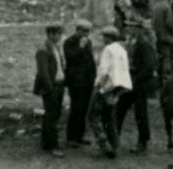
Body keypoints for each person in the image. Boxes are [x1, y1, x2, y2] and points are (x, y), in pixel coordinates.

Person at [93, 26, 132, 158]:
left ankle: (105, 145)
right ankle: (114, 144)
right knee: (109, 117)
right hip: (118, 87)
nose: (103, 39)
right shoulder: (121, 50)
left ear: (109, 38)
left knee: (93, 117)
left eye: (105, 37)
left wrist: (98, 85)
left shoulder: (108, 49)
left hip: (105, 87)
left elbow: (104, 70)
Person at [126, 22, 161, 153]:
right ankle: (112, 139)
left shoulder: (143, 43)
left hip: (139, 82)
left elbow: (149, 67)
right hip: (131, 79)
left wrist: (136, 80)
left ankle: (142, 141)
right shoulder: (132, 40)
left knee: (140, 112)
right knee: (120, 109)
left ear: (137, 28)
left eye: (130, 26)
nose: (127, 28)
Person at [33, 24, 67, 156]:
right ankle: (52, 146)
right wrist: (50, 89)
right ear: (50, 35)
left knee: (55, 114)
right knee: (51, 116)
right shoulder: (43, 50)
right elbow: (43, 73)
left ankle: (47, 142)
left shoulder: (55, 47)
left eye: (59, 34)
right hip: (52, 87)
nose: (58, 36)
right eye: (55, 34)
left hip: (59, 85)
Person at [63, 19, 97, 148]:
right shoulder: (69, 42)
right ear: (77, 30)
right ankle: (71, 137)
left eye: (88, 31)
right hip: (76, 81)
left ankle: (79, 135)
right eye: (83, 31)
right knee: (76, 108)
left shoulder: (88, 42)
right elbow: (71, 58)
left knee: (84, 109)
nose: (86, 34)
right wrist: (80, 47)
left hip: (87, 80)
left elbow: (90, 59)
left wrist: (93, 75)